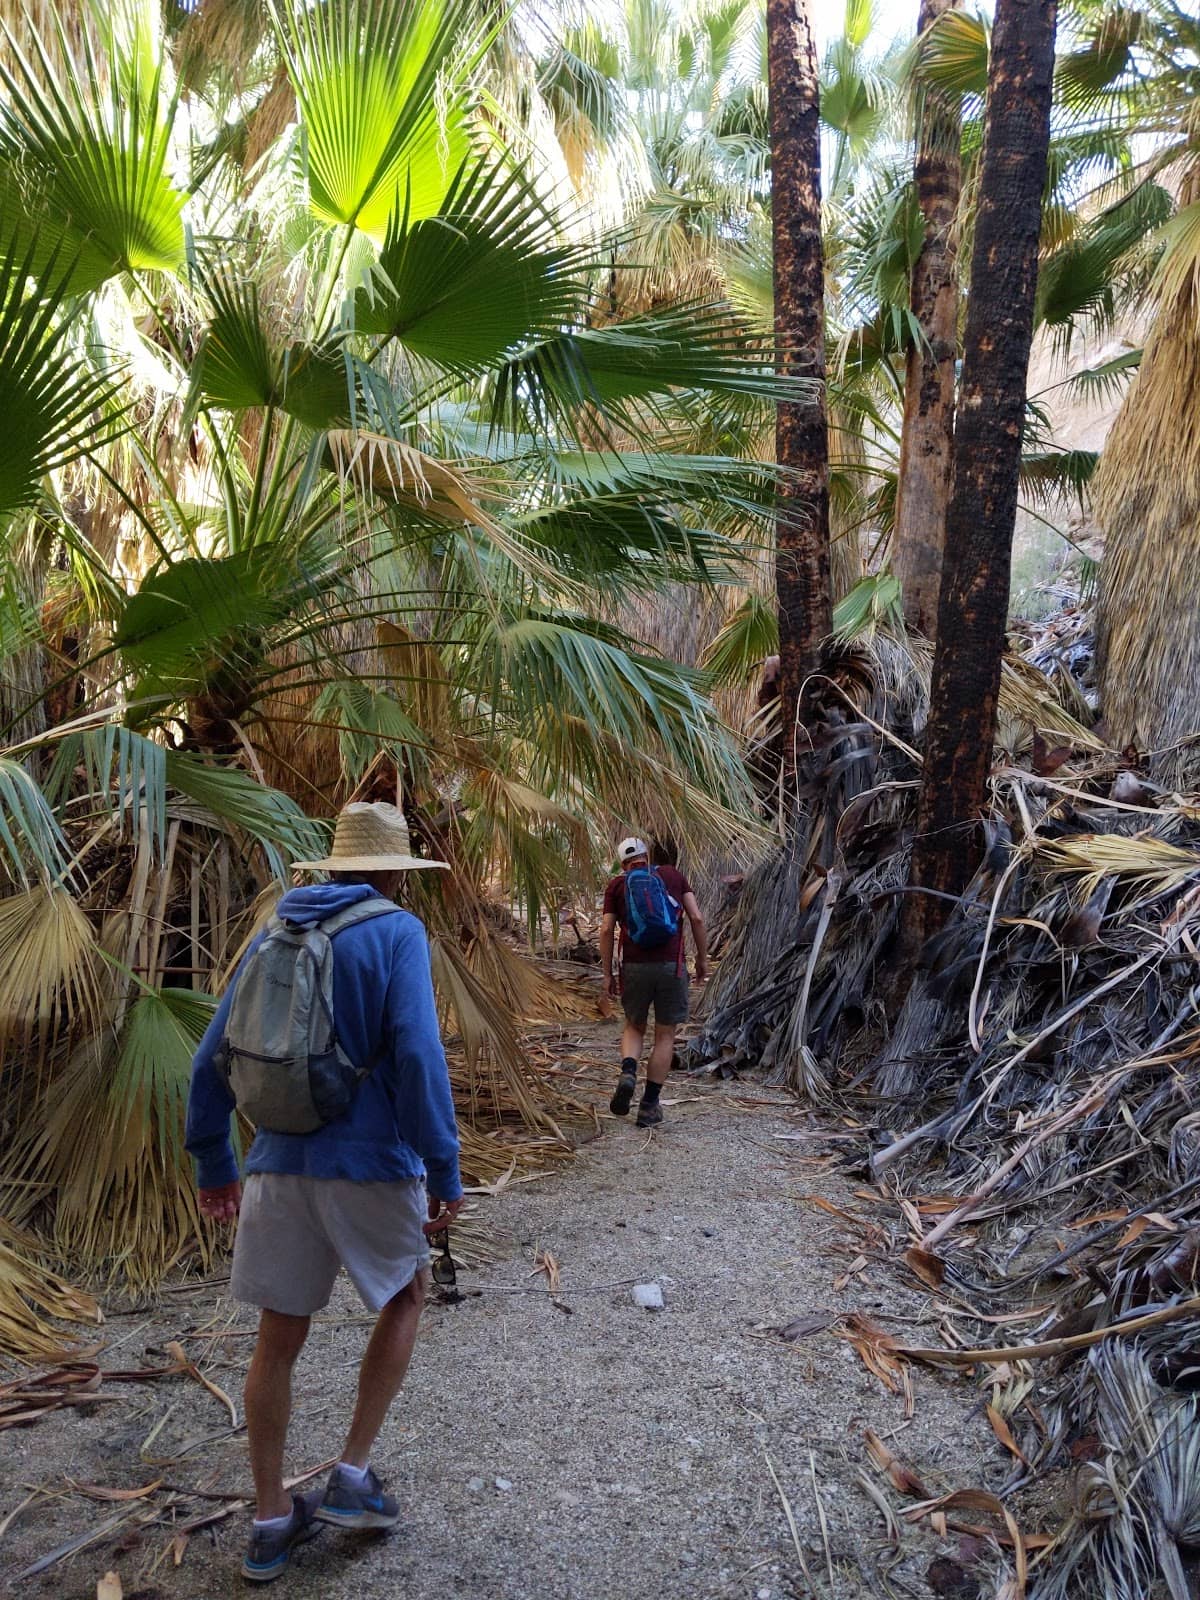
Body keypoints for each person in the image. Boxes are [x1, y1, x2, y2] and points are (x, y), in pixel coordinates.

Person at [185, 802, 464, 1585]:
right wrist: (444, 1168)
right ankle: (352, 1476)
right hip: (371, 1164)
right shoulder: (398, 932)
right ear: (390, 872)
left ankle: (271, 1519)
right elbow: (415, 1052)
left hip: (275, 1163)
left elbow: (213, 1056)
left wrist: (214, 1159)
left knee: (279, 1336)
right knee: (405, 1296)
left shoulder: (276, 932)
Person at [598, 836, 708, 1128]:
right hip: (672, 967)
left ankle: (629, 1071)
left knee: (634, 1026)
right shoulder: (672, 875)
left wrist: (607, 973)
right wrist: (703, 960)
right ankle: (648, 1107)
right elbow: (696, 918)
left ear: (623, 864)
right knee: (665, 1035)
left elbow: (607, 929)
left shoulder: (617, 886)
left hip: (634, 967)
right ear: (648, 856)